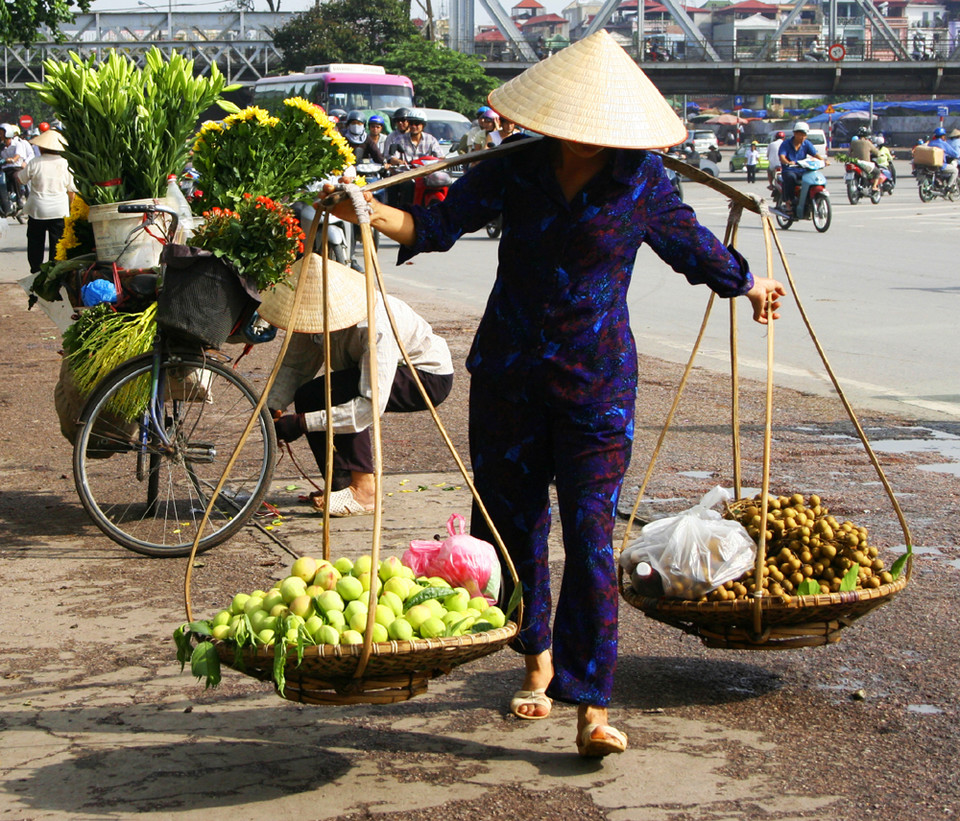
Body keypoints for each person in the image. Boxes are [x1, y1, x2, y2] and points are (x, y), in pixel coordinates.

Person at [324, 30, 785, 757]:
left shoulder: (642, 181)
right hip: (509, 376)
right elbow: (436, 223)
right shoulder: (516, 166)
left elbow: (693, 247)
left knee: (593, 537)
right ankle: (535, 651)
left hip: (597, 385)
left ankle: (592, 704)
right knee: (512, 529)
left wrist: (750, 283)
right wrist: (368, 211)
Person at [264, 255, 454, 515]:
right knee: (309, 395)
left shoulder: (374, 325)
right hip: (362, 375)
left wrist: (302, 423)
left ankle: (364, 490)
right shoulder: (311, 313)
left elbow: (368, 407)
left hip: (424, 374)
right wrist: (271, 407)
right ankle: (341, 487)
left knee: (339, 392)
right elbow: (296, 366)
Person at [16, 129, 76, 273]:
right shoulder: (65, 163)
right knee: (57, 244)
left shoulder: (35, 162)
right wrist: (71, 209)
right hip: (59, 209)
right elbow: (71, 191)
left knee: (35, 242)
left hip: (38, 209)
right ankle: (53, 273)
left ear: (42, 147)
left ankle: (36, 270)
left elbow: (21, 179)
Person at [779, 121, 827, 214]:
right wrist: (788, 162)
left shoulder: (806, 144)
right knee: (790, 178)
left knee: (813, 177)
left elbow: (815, 154)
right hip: (790, 169)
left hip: (803, 169)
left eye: (804, 135)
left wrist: (823, 161)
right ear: (795, 133)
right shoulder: (786, 144)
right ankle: (789, 202)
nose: (803, 137)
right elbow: (782, 157)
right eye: (801, 135)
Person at [926, 126, 960, 192]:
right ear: (943, 136)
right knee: (955, 171)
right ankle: (948, 186)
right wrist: (957, 155)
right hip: (941, 165)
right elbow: (954, 153)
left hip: (930, 165)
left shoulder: (931, 143)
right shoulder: (943, 144)